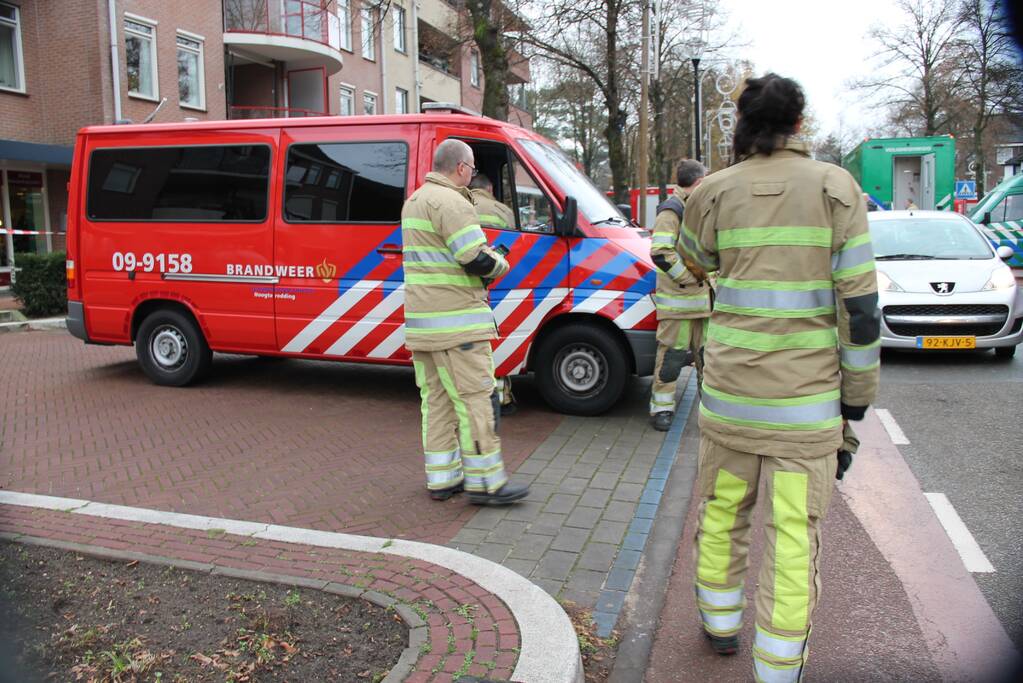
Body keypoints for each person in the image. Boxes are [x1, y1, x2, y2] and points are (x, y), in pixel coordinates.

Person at [677, 73, 880, 681]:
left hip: (731, 402)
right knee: (792, 535)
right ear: (799, 124)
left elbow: (693, 261)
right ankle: (778, 666)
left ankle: (719, 625)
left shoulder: (711, 192)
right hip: (806, 408)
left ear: (743, 123)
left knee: (721, 514)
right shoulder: (836, 189)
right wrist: (858, 403)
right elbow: (862, 312)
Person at [400, 139, 530, 506]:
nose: (472, 175)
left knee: (437, 403)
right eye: (471, 169)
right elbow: (473, 257)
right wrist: (501, 263)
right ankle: (486, 483)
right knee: (476, 400)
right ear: (460, 168)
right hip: (458, 325)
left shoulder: (414, 202)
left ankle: (443, 480)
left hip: (423, 326)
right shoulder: (453, 202)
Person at [648, 159, 710, 431]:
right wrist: (688, 277)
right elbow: (660, 252)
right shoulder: (672, 211)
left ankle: (710, 410)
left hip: (703, 304)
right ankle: (661, 408)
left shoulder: (696, 208)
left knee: (709, 358)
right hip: (679, 304)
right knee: (672, 358)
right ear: (697, 182)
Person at [469, 174, 518, 416]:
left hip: (464, 284)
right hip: (496, 278)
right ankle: (501, 396)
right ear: (490, 188)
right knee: (493, 341)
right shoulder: (503, 210)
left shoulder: (459, 206)